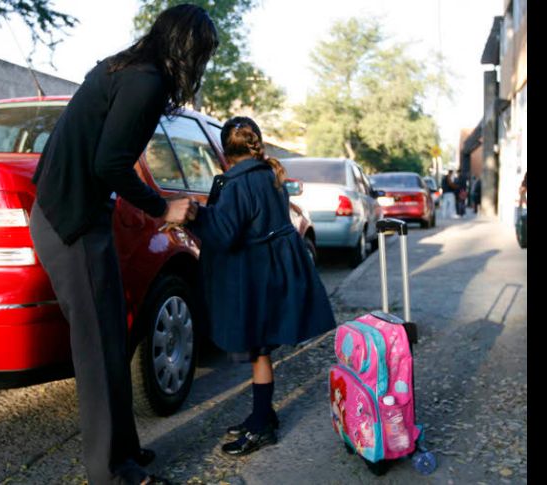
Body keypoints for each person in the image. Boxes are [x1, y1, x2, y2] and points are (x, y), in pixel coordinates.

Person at [28, 5, 218, 484]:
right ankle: (111, 472)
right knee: (96, 351)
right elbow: (109, 163)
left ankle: (125, 453)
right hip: (71, 225)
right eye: (203, 55)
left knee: (112, 340)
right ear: (186, 48)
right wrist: (162, 208)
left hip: (77, 219)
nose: (202, 66)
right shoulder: (145, 80)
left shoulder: (125, 69)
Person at [186, 117, 336, 457]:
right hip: (272, 271)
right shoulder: (270, 175)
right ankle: (262, 414)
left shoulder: (238, 185)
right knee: (261, 349)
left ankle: (262, 427)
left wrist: (195, 214)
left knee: (259, 352)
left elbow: (224, 234)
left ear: (225, 152)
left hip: (255, 275)